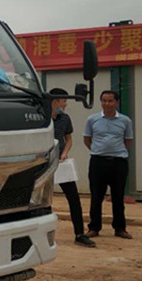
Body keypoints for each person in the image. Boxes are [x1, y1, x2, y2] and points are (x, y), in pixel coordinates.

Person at [83, 90, 134, 239]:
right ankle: (94, 227)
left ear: (117, 102)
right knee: (96, 196)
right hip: (98, 162)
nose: (107, 104)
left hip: (118, 163)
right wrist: (99, 150)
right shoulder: (92, 119)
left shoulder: (125, 121)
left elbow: (128, 141)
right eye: (104, 101)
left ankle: (120, 228)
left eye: (110, 101)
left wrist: (116, 151)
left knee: (118, 197)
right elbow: (87, 139)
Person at [49, 88, 94, 247]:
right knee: (41, 201)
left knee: (74, 198)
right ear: (54, 101)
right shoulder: (40, 118)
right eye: (63, 101)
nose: (65, 104)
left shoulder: (65, 118)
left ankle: (79, 234)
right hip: (43, 165)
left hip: (61, 164)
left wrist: (64, 153)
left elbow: (68, 139)